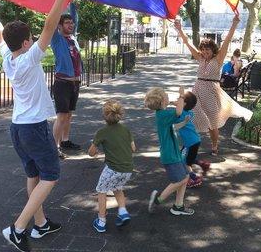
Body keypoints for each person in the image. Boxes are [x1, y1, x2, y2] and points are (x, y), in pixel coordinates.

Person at [0, 0, 75, 252]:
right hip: (33, 128)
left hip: (18, 129)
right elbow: (50, 25)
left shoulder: (9, 55)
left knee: (34, 175)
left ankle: (40, 224)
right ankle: (18, 229)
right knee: (51, 176)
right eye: (32, 39)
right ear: (27, 42)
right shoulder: (29, 58)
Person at [175, 16, 253, 156]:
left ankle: (215, 145)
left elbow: (227, 40)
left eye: (208, 50)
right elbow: (187, 43)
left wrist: (234, 24)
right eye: (203, 50)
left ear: (213, 50)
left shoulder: (218, 59)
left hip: (211, 92)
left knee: (212, 123)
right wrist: (180, 29)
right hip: (197, 91)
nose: (205, 52)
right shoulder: (200, 58)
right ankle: (188, 144)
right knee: (190, 117)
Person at [145, 86, 194, 216]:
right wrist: (182, 95)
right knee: (180, 180)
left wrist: (184, 122)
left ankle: (178, 206)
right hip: (170, 155)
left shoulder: (163, 114)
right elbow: (178, 111)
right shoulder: (163, 114)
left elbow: (174, 127)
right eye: (166, 96)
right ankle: (159, 199)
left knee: (186, 176)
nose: (168, 97)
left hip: (174, 153)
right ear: (162, 101)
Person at [88, 100, 135, 233]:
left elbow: (91, 152)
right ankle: (123, 211)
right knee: (117, 188)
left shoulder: (102, 132)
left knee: (101, 190)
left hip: (113, 168)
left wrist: (96, 152)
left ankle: (101, 221)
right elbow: (133, 148)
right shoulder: (126, 130)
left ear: (104, 116)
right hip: (127, 169)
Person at [51, 3, 83, 158]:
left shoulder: (73, 40)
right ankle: (54, 147)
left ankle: (65, 140)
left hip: (75, 83)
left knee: (69, 114)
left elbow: (74, 15)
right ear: (60, 25)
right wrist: (61, 0)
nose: (71, 24)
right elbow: (52, 19)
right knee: (62, 115)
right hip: (62, 83)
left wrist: (73, 2)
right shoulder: (57, 39)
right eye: (67, 22)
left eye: (72, 22)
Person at [174, 91, 210, 188]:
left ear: (184, 104)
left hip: (190, 143)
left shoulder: (181, 115)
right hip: (194, 140)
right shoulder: (189, 113)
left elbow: (177, 112)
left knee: (184, 162)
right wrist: (178, 102)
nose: (177, 99)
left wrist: (174, 104)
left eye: (180, 99)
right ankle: (202, 164)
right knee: (187, 158)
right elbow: (181, 108)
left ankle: (194, 178)